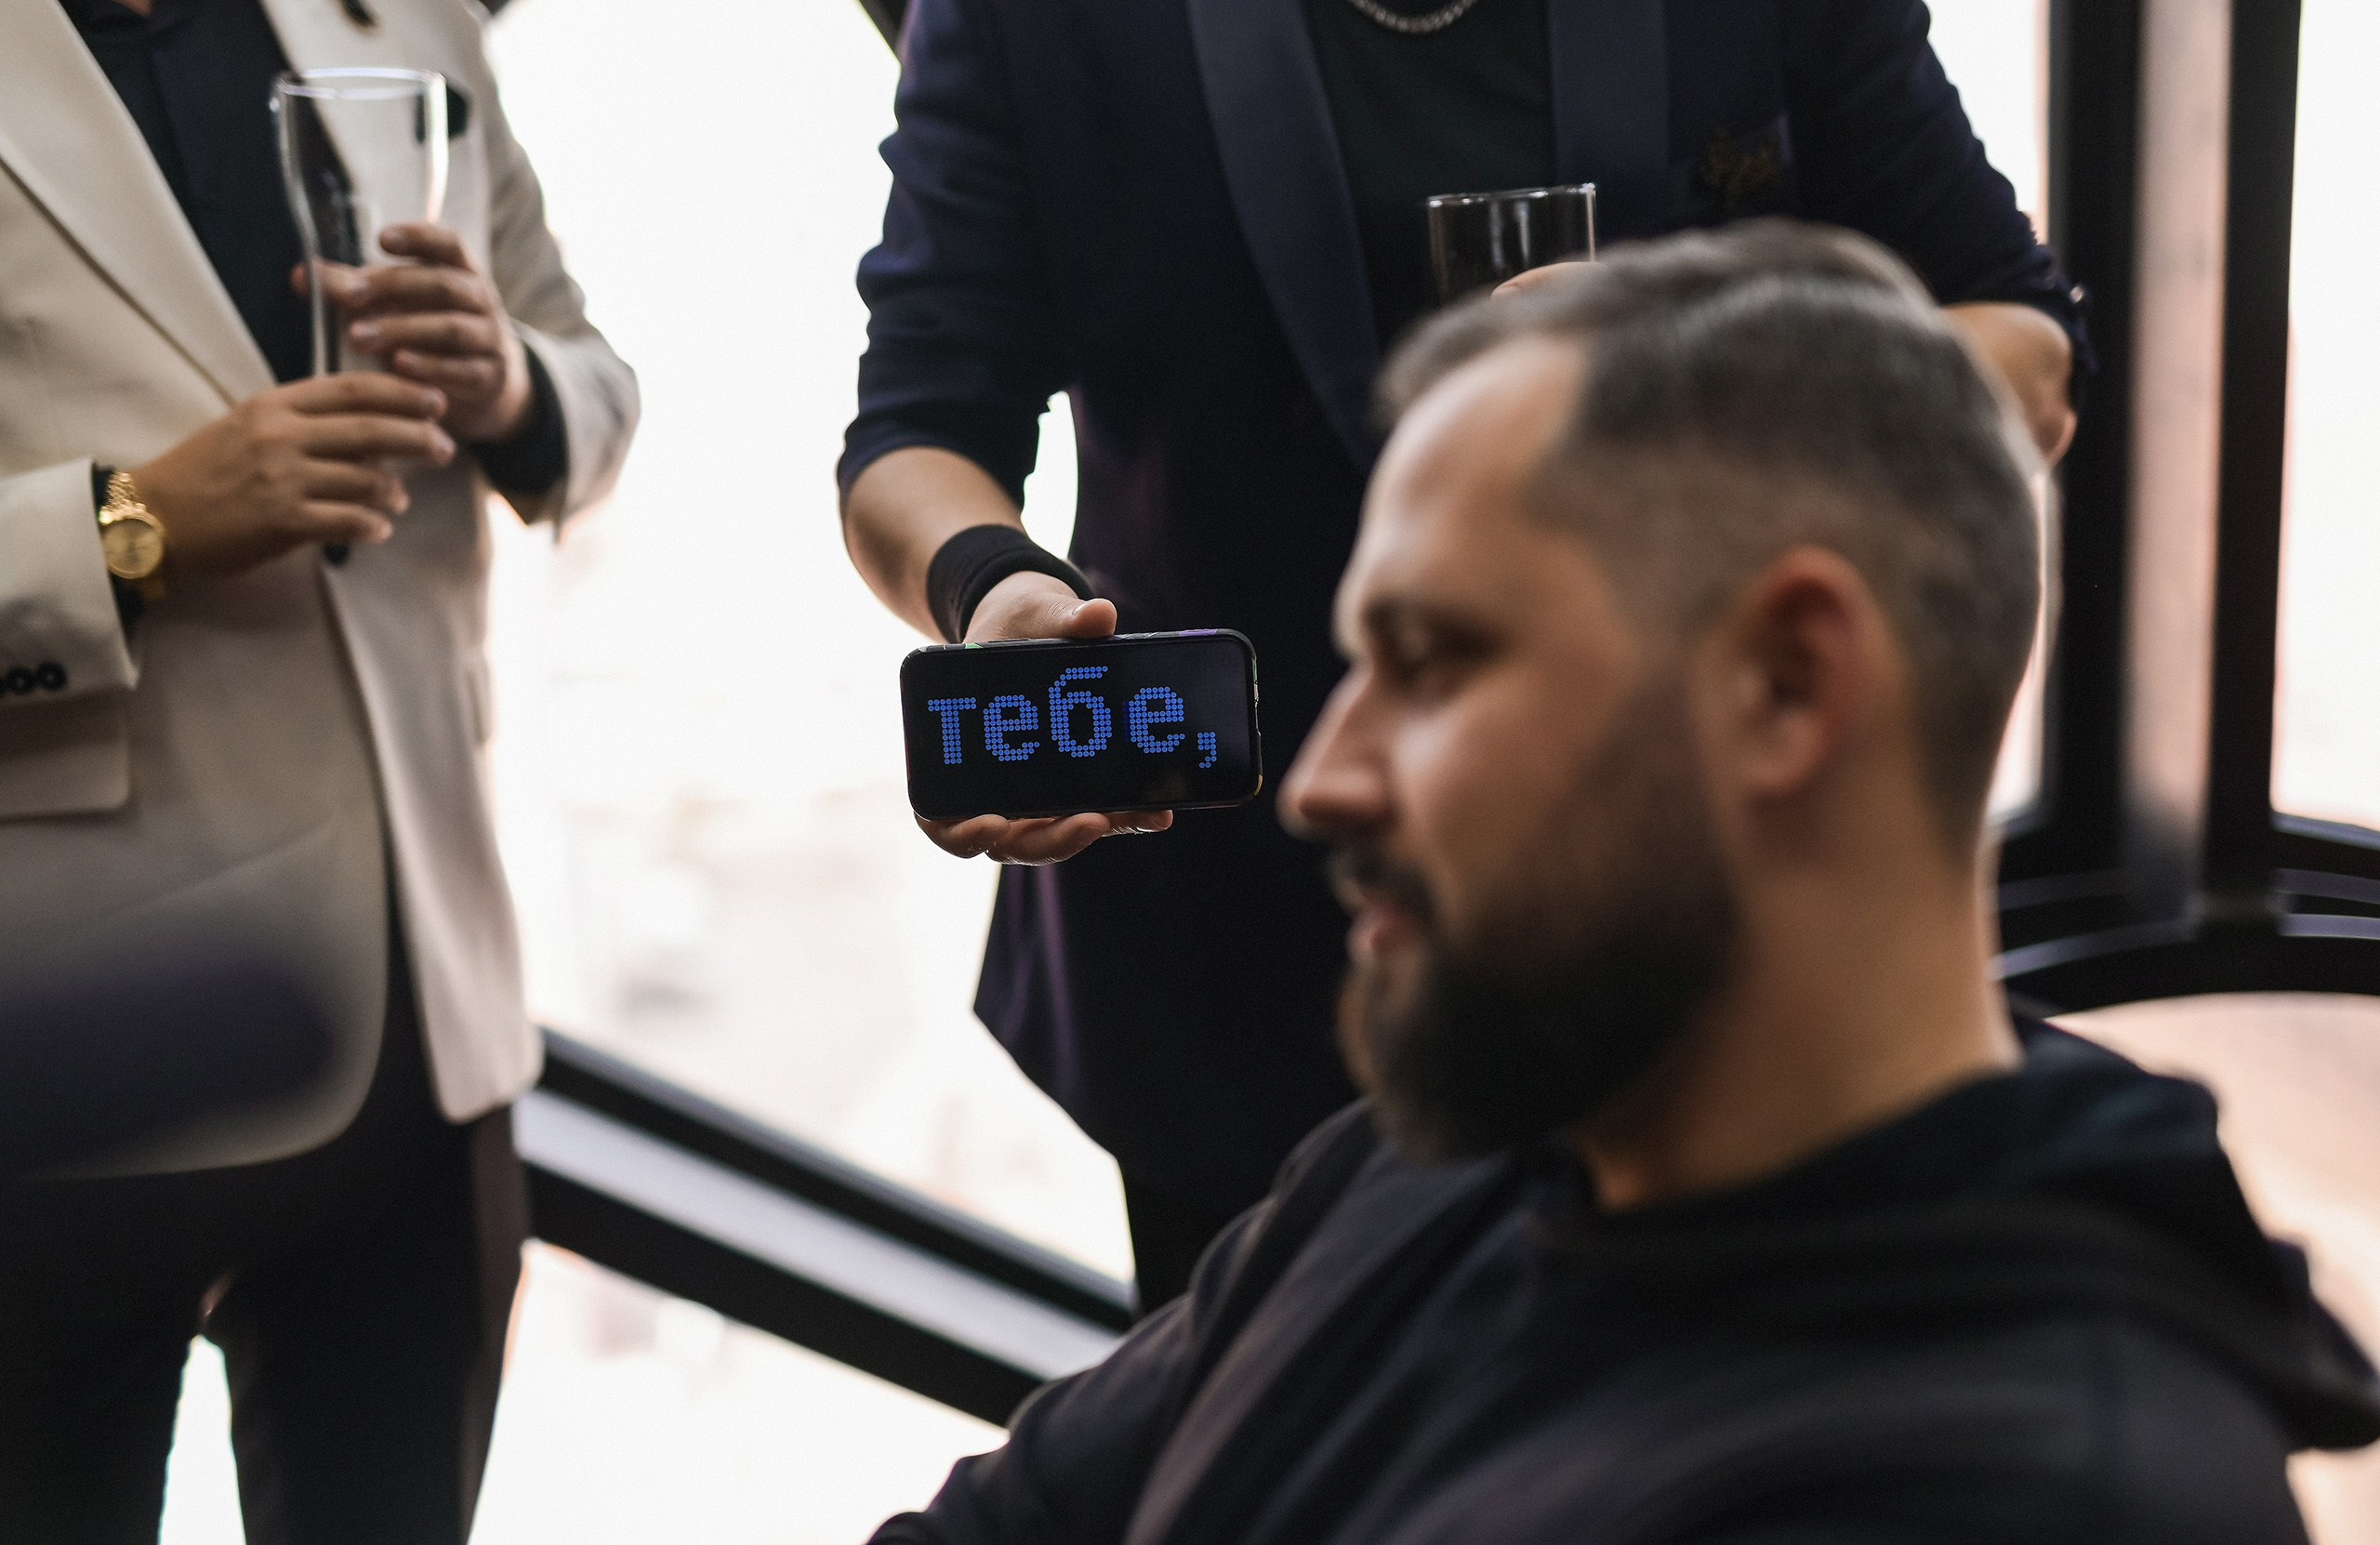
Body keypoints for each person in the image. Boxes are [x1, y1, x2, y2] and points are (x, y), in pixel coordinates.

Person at [866, 224, 2376, 1545]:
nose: (1323, 781)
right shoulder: (1432, 1167)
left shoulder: (2028, 1495)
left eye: (1431, 662)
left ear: (1788, 685)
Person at [841, 0, 2088, 1305]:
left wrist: (1721, 398)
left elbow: (2020, 340)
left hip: (1691, 891)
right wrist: (998, 591)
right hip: (1239, 940)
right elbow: (917, 428)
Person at [0, 0, 637, 1532]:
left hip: (426, 1038)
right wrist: (133, 526)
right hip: (71, 1047)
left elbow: (592, 382)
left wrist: (506, 385)